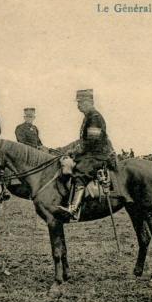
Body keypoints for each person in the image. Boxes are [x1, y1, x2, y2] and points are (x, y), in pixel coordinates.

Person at [59, 89, 116, 219]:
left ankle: (73, 208)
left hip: (97, 155)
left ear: (89, 102)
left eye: (80, 102)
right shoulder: (89, 116)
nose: (78, 105)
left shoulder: (94, 117)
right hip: (91, 154)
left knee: (80, 173)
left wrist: (75, 151)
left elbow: (91, 140)